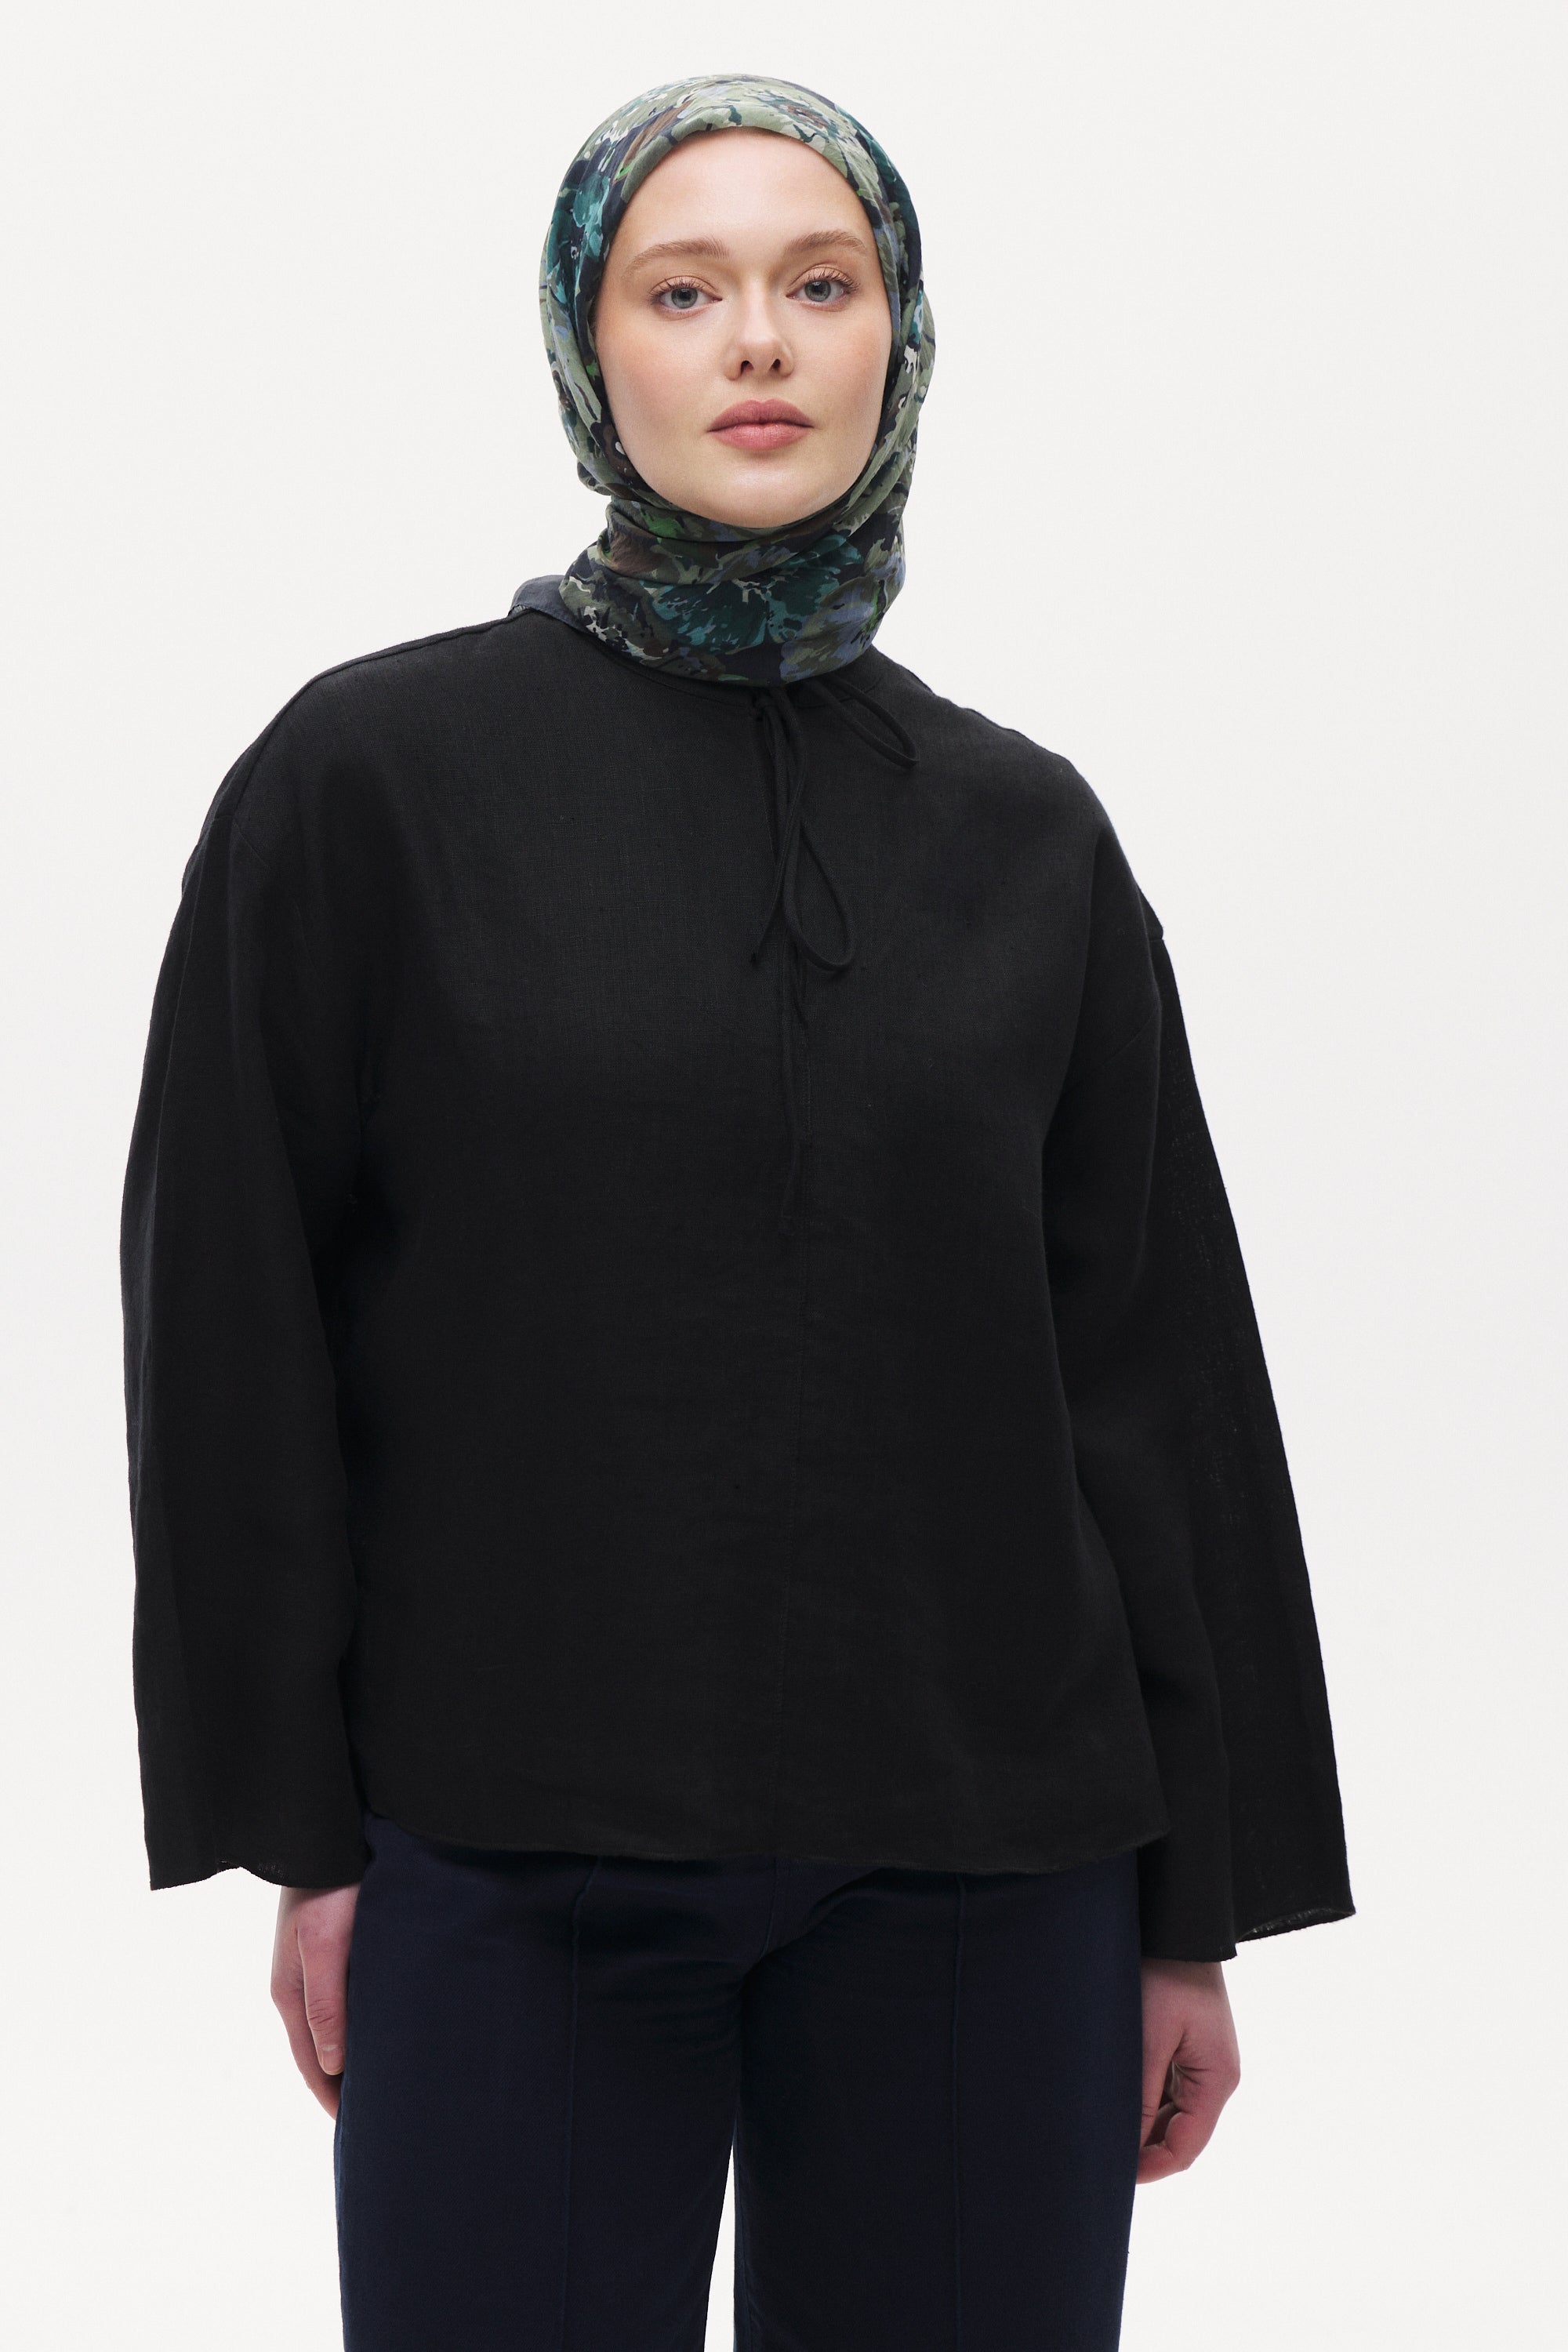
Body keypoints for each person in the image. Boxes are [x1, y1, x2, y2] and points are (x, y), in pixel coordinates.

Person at [121, 72, 1352, 2352]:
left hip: (995, 1875)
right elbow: (230, 1322)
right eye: (683, 291)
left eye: (822, 282)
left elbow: (1152, 1383)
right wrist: (299, 1829)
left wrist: (1195, 1907)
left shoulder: (1029, 836)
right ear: (589, 347)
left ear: (903, 337)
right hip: (512, 1844)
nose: (760, 340)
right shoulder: (369, 784)